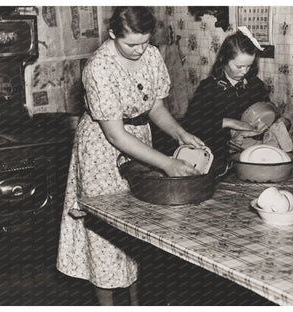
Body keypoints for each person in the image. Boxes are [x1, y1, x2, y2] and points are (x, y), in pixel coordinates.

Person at [56, 6, 203, 306]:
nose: (139, 50)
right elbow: (114, 134)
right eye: (131, 44)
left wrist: (180, 134)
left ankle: (136, 304)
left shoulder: (150, 55)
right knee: (104, 230)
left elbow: (156, 108)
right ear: (113, 34)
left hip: (139, 142)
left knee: (137, 227)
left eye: (145, 42)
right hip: (101, 150)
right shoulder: (99, 67)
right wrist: (165, 162)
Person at [184, 27, 270, 175]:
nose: (244, 72)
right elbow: (191, 123)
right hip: (216, 155)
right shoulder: (209, 87)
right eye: (239, 66)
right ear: (224, 60)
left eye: (249, 66)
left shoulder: (255, 85)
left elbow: (268, 110)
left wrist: (265, 125)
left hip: (248, 153)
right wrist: (227, 122)